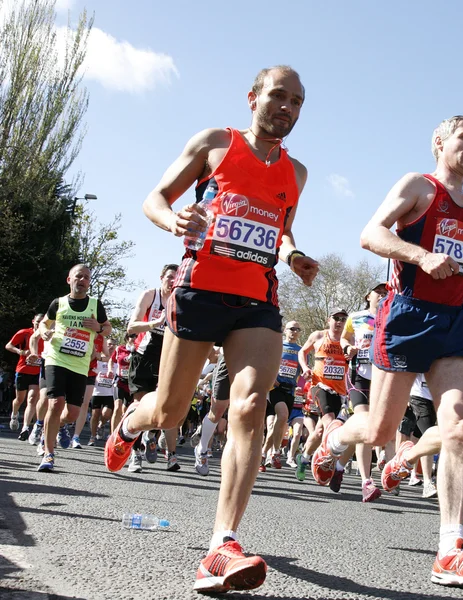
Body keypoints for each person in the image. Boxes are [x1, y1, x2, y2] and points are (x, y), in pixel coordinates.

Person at [103, 65, 318, 593]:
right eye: (278, 96)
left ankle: (222, 543)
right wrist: (172, 220)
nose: (287, 107)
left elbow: (281, 229)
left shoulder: (298, 173)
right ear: (253, 98)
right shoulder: (215, 143)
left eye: (297, 101)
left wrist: (293, 256)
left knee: (250, 405)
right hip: (200, 290)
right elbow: (155, 197)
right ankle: (132, 424)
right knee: (170, 410)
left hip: (257, 300)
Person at [351, 115, 463, 586]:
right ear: (440, 142)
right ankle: (336, 442)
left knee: (460, 426)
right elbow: (371, 234)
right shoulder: (419, 186)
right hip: (407, 315)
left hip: (454, 323)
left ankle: (450, 547)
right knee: (379, 431)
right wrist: (419, 256)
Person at [37, 264, 112, 471]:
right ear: (69, 280)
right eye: (78, 276)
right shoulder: (58, 303)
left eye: (86, 277)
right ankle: (48, 453)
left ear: (89, 283)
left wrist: (98, 328)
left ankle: (58, 427)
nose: (82, 280)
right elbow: (45, 322)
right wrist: (44, 332)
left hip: (80, 365)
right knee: (55, 403)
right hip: (56, 358)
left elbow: (108, 328)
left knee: (72, 413)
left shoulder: (95, 305)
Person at [125, 264, 180, 473]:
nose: (172, 282)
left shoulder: (181, 301)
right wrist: (156, 322)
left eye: (177, 278)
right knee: (140, 404)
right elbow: (132, 326)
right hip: (144, 354)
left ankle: (170, 456)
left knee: (170, 406)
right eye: (169, 277)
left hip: (169, 358)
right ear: (161, 278)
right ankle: (135, 453)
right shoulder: (150, 295)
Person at [337, 282, 388, 502]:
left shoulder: (392, 317)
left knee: (366, 430)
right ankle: (366, 482)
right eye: (379, 292)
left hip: (381, 379)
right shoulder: (356, 317)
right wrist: (347, 348)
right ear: (368, 296)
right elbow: (344, 338)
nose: (383, 295)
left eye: (387, 293)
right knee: (364, 422)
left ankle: (338, 464)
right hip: (358, 375)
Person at [297, 308, 351, 491]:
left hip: (341, 391)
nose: (339, 322)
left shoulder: (348, 341)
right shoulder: (319, 335)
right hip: (320, 386)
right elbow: (302, 352)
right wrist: (305, 367)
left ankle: (304, 457)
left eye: (343, 319)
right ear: (329, 320)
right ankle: (330, 463)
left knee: (320, 431)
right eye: (336, 318)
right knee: (330, 425)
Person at [260, 320, 302, 471]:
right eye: (292, 329)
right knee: (281, 417)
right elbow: (265, 364)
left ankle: (264, 454)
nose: (295, 332)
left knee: (279, 424)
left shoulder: (301, 351)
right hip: (274, 389)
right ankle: (276, 453)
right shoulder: (278, 346)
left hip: (289, 390)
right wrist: (273, 379)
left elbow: (302, 372)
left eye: (298, 329)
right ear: (285, 330)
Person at [5, 314, 44, 439]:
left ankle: (25, 428)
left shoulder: (47, 336)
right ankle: (15, 414)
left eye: (42, 322)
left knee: (32, 399)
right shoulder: (25, 333)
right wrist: (20, 352)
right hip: (23, 370)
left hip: (38, 372)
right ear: (33, 321)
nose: (39, 324)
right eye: (37, 322)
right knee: (19, 399)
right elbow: (8, 345)